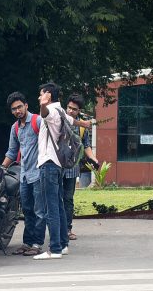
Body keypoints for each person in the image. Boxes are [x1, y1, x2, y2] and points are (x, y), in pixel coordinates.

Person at [34, 82, 74, 260]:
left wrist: (43, 103)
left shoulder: (50, 111)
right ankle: (63, 244)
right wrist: (87, 123)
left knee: (51, 208)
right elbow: (74, 121)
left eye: (41, 94)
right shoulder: (62, 111)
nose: (38, 97)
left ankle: (55, 248)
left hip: (49, 163)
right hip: (57, 164)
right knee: (58, 205)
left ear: (48, 95)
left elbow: (44, 113)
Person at [1, 92, 45, 256]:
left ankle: (37, 244)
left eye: (20, 107)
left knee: (39, 210)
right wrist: (1, 168)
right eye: (14, 109)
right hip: (24, 174)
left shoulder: (38, 121)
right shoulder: (15, 128)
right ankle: (27, 242)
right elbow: (12, 152)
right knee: (26, 210)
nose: (17, 111)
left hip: (40, 173)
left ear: (26, 105)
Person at [63, 94, 98, 240]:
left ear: (79, 111)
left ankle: (67, 229)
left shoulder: (82, 127)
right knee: (53, 199)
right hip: (55, 167)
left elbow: (86, 145)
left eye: (74, 109)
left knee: (68, 199)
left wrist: (93, 159)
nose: (71, 111)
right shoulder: (58, 120)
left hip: (71, 168)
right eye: (69, 108)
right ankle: (56, 229)